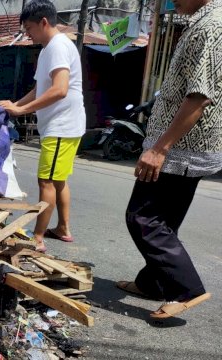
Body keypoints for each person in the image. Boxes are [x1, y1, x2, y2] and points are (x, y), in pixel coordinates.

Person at [117, 0, 220, 319]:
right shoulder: (206, 22)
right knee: (165, 220)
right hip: (191, 146)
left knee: (143, 217)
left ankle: (186, 289)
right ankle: (152, 283)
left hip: (181, 147)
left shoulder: (210, 26)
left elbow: (199, 97)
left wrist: (159, 148)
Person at [0, 0, 86, 252]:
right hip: (64, 125)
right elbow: (40, 90)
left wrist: (21, 110)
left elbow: (60, 89)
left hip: (61, 127)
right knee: (59, 181)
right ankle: (63, 228)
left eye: (30, 28)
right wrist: (15, 104)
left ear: (44, 22)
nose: (28, 34)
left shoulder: (57, 47)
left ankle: (37, 237)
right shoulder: (49, 49)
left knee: (45, 181)